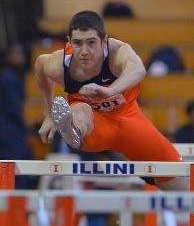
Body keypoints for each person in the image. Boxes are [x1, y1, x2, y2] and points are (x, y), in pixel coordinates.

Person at [35, 10, 188, 191]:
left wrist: (109, 91)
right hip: (94, 124)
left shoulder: (117, 52)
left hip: (128, 120)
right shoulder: (59, 64)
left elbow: (138, 70)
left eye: (91, 43)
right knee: (80, 109)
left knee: (183, 185)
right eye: (77, 43)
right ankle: (73, 130)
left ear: (104, 41)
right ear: (69, 42)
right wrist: (49, 112)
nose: (84, 51)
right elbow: (40, 65)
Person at [0, 44, 33, 188]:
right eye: (16, 53)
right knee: (14, 172)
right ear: (9, 56)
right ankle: (13, 206)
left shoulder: (11, 76)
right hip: (9, 131)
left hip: (10, 129)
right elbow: (14, 109)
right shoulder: (9, 77)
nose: (21, 57)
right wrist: (26, 128)